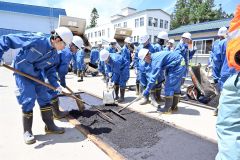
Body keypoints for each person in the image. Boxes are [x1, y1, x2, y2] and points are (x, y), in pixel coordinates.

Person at [0, 26, 73, 144]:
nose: (64, 47)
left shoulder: (54, 54)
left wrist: (55, 85)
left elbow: (50, 70)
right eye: (64, 44)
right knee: (28, 99)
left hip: (36, 75)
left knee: (44, 98)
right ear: (58, 40)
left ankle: (50, 126)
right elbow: (7, 39)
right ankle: (27, 131)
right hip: (22, 73)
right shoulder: (36, 39)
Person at [138, 48, 186, 114]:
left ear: (146, 56)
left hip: (177, 66)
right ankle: (174, 107)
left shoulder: (155, 60)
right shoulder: (154, 57)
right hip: (177, 64)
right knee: (175, 87)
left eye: (144, 60)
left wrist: (147, 90)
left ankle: (167, 109)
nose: (145, 61)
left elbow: (153, 79)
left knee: (169, 86)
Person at [44, 46, 72, 119]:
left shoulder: (62, 49)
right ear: (74, 46)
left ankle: (51, 113)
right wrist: (62, 81)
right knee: (52, 90)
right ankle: (57, 114)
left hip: (45, 68)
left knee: (45, 91)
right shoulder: (67, 53)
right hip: (47, 69)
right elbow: (62, 69)